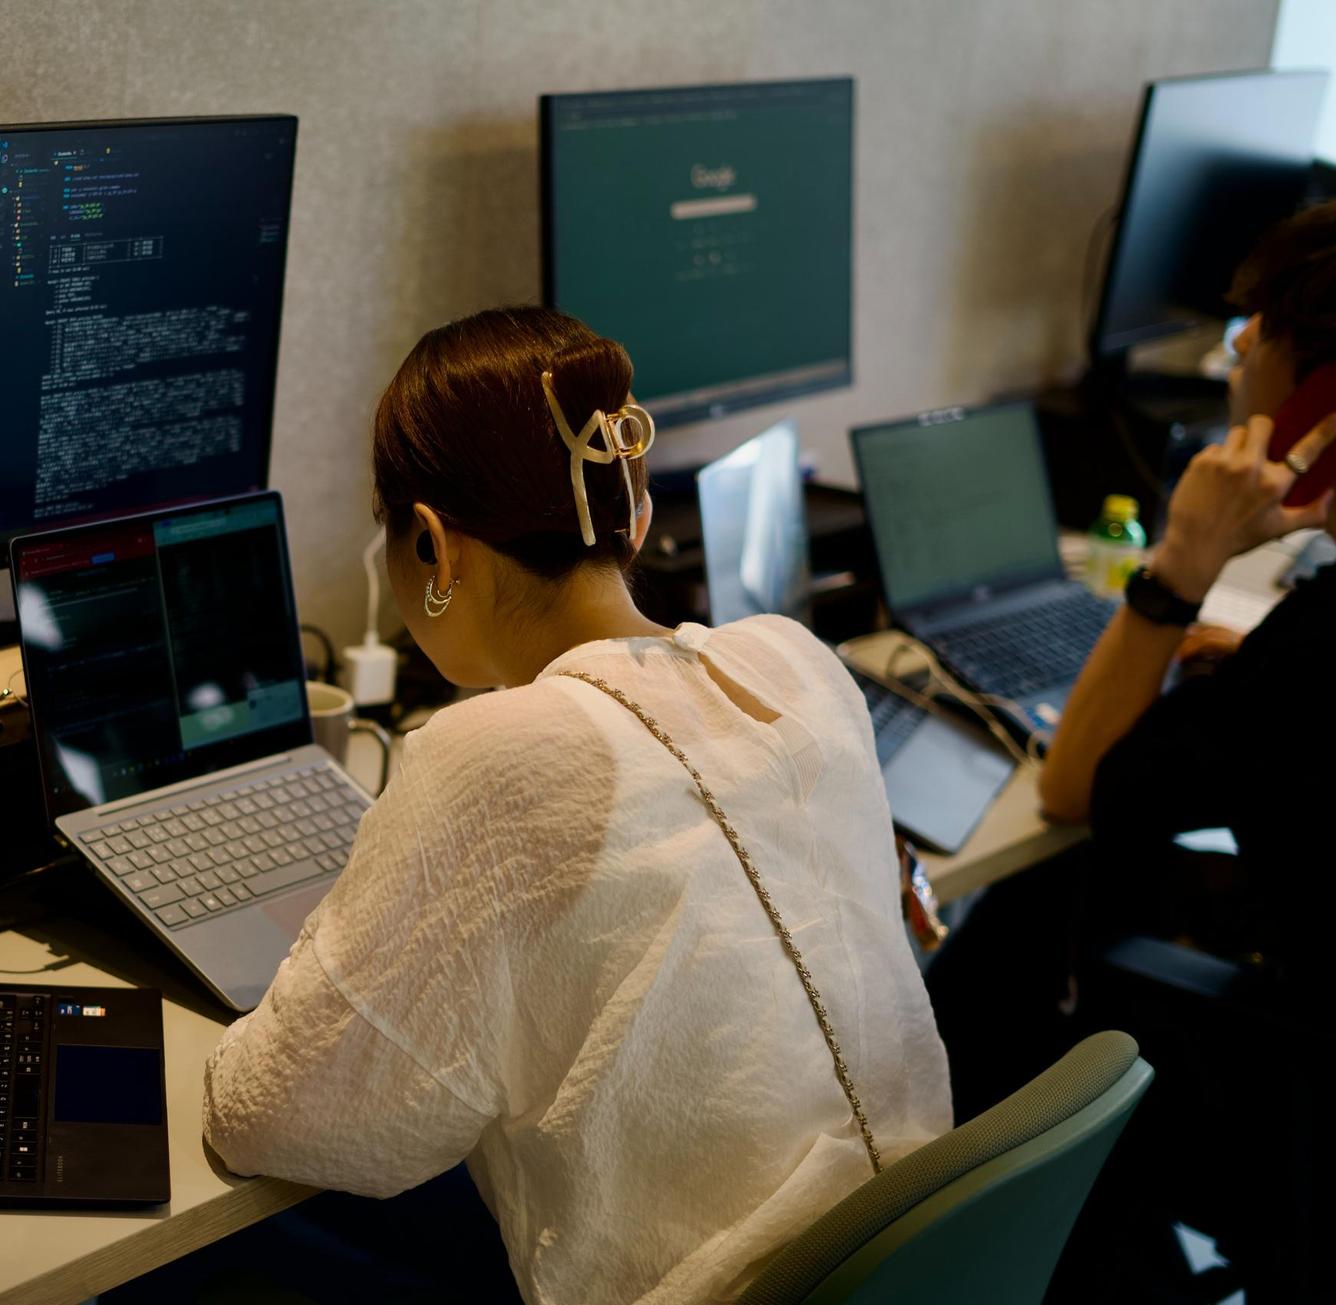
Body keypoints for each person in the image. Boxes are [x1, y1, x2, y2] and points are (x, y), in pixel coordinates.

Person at [193, 307, 951, 1304]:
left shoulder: (489, 756)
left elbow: (261, 1115)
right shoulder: (794, 662)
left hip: (728, 1287)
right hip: (911, 1256)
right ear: (631, 514)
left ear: (431, 543)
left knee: (191, 1252)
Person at [1032, 205, 1336, 1300]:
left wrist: (1181, 564)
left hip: (1293, 1096)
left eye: (1256, 332)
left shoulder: (1310, 656)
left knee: (1026, 945)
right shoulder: (1298, 650)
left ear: (1316, 400)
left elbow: (1072, 784)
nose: (1235, 350)